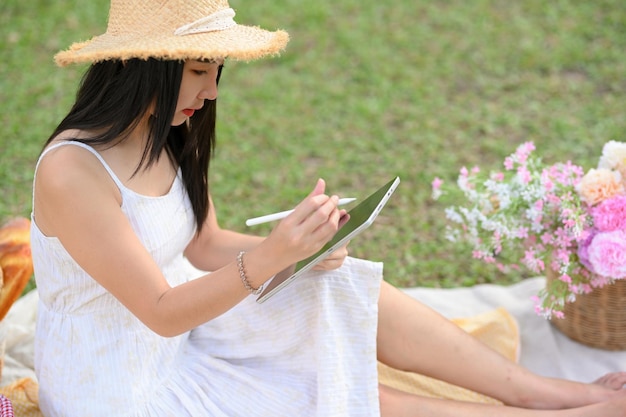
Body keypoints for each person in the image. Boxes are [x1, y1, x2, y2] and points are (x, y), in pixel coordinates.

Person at [30, 0, 626, 416]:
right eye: (197, 72)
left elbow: (203, 243)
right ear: (144, 70)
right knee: (340, 398)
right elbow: (159, 311)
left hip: (180, 331)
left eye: (215, 73)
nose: (210, 92)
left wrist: (303, 248)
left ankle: (539, 391)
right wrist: (268, 260)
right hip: (116, 387)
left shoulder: (169, 129)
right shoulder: (73, 172)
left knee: (338, 287)